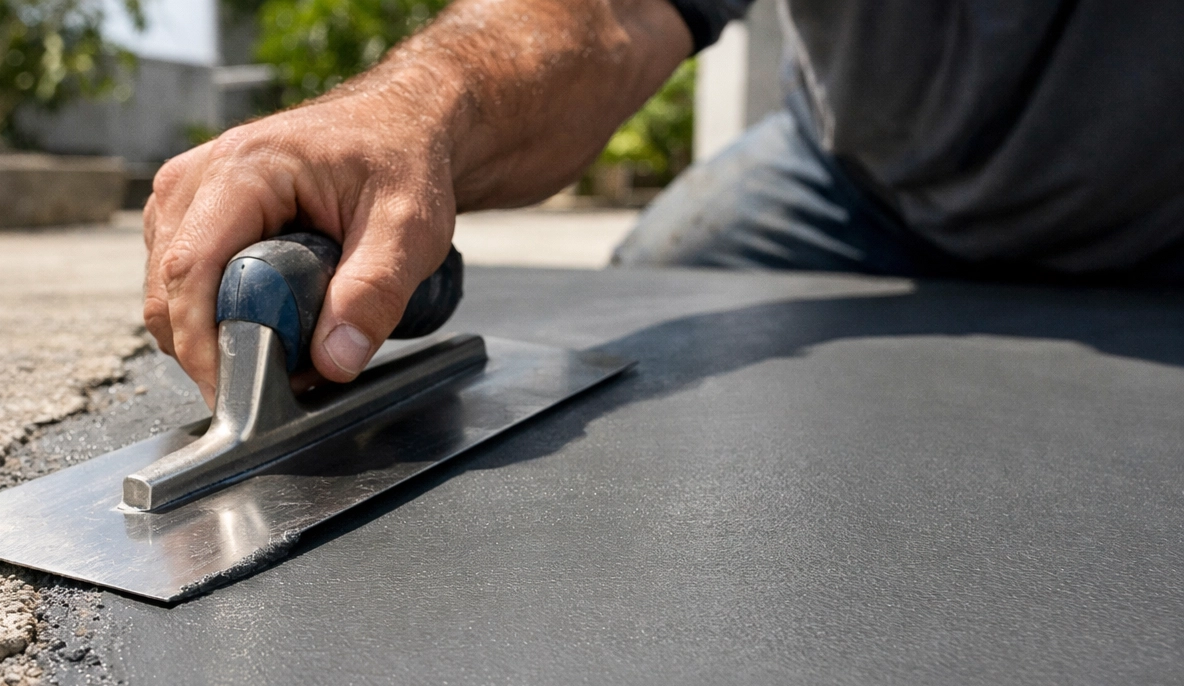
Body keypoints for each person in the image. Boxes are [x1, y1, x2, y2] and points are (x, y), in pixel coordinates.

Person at [142, 0, 1184, 405]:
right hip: (848, 180)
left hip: (1154, 219)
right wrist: (421, 109)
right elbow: (613, 13)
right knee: (630, 341)